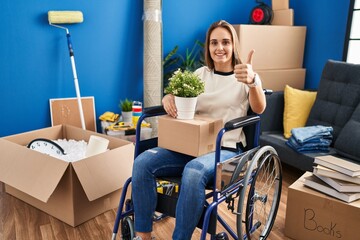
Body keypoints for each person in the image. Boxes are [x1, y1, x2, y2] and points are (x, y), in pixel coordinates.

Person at [132, 20, 266, 240]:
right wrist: (168, 97)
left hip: (227, 149)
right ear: (208, 47)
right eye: (214, 43)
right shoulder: (200, 74)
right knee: (142, 163)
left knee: (193, 172)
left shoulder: (245, 75)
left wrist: (253, 82)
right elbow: (179, 96)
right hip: (191, 146)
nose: (219, 48)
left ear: (234, 45)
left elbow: (259, 108)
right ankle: (143, 234)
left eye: (225, 42)